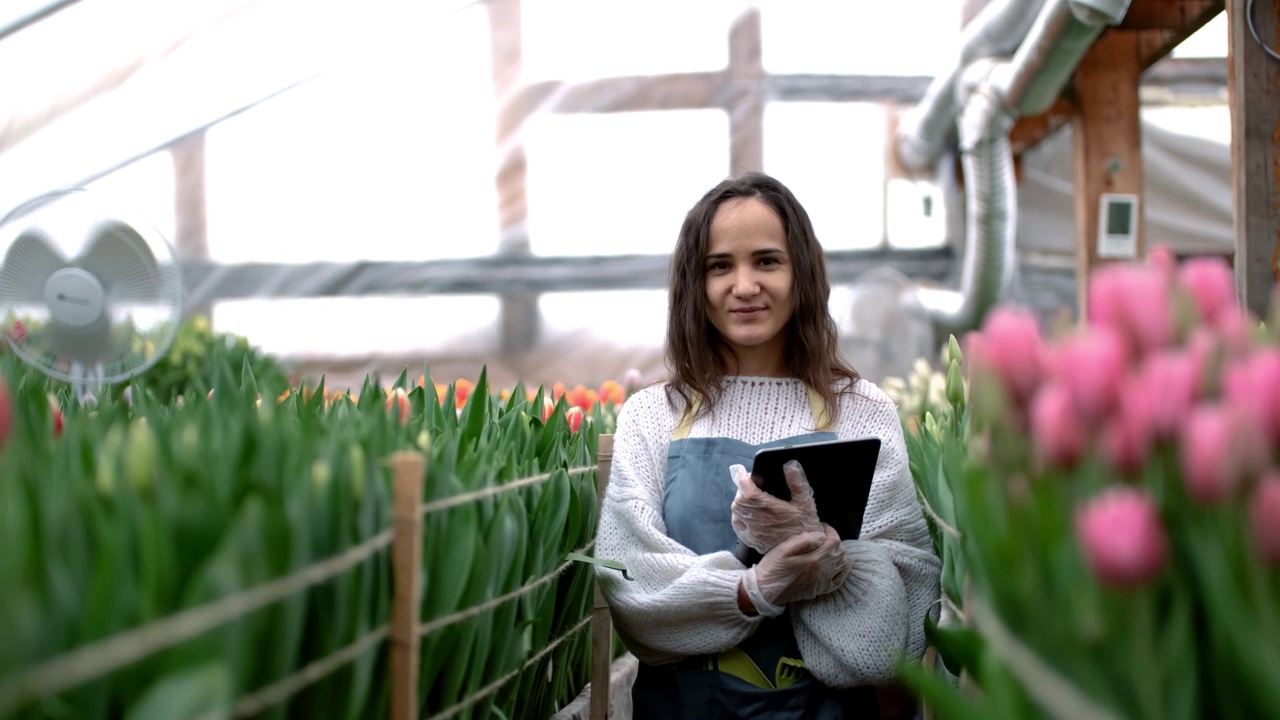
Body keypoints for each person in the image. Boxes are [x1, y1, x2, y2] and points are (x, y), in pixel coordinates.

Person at [594, 172, 941, 719]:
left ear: (801, 271)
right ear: (695, 283)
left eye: (767, 261)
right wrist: (753, 589)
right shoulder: (653, 415)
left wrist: (828, 557)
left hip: (825, 707)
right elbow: (631, 584)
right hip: (684, 705)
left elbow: (907, 601)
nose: (745, 285)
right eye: (720, 266)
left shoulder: (862, 411)